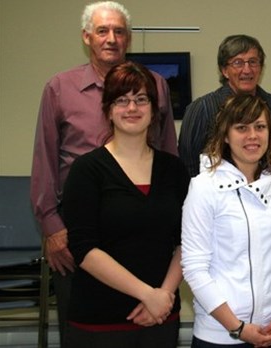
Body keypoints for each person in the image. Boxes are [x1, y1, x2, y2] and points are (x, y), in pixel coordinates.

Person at [30, 1, 178, 344]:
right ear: (86, 37)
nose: (111, 38)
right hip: (79, 235)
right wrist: (53, 229)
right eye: (102, 31)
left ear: (128, 38)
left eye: (119, 31)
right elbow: (44, 161)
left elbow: (168, 153)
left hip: (146, 233)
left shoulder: (155, 85)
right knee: (84, 326)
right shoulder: (59, 88)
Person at [61, 61, 188, 348]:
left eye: (141, 99)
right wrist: (147, 294)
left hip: (160, 317)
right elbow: (84, 249)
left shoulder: (174, 169)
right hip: (99, 321)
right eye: (122, 100)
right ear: (107, 109)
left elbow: (187, 241)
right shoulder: (86, 170)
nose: (132, 108)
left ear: (154, 109)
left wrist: (163, 296)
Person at [181, 94, 271, 347]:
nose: (253, 136)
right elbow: (194, 267)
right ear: (225, 135)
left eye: (260, 127)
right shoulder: (204, 187)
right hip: (219, 335)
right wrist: (238, 328)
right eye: (241, 128)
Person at [178, 34, 271, 177]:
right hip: (216, 195)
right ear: (224, 70)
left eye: (253, 62)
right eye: (238, 63)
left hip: (267, 193)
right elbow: (188, 164)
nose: (247, 70)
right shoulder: (202, 108)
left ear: (261, 68)